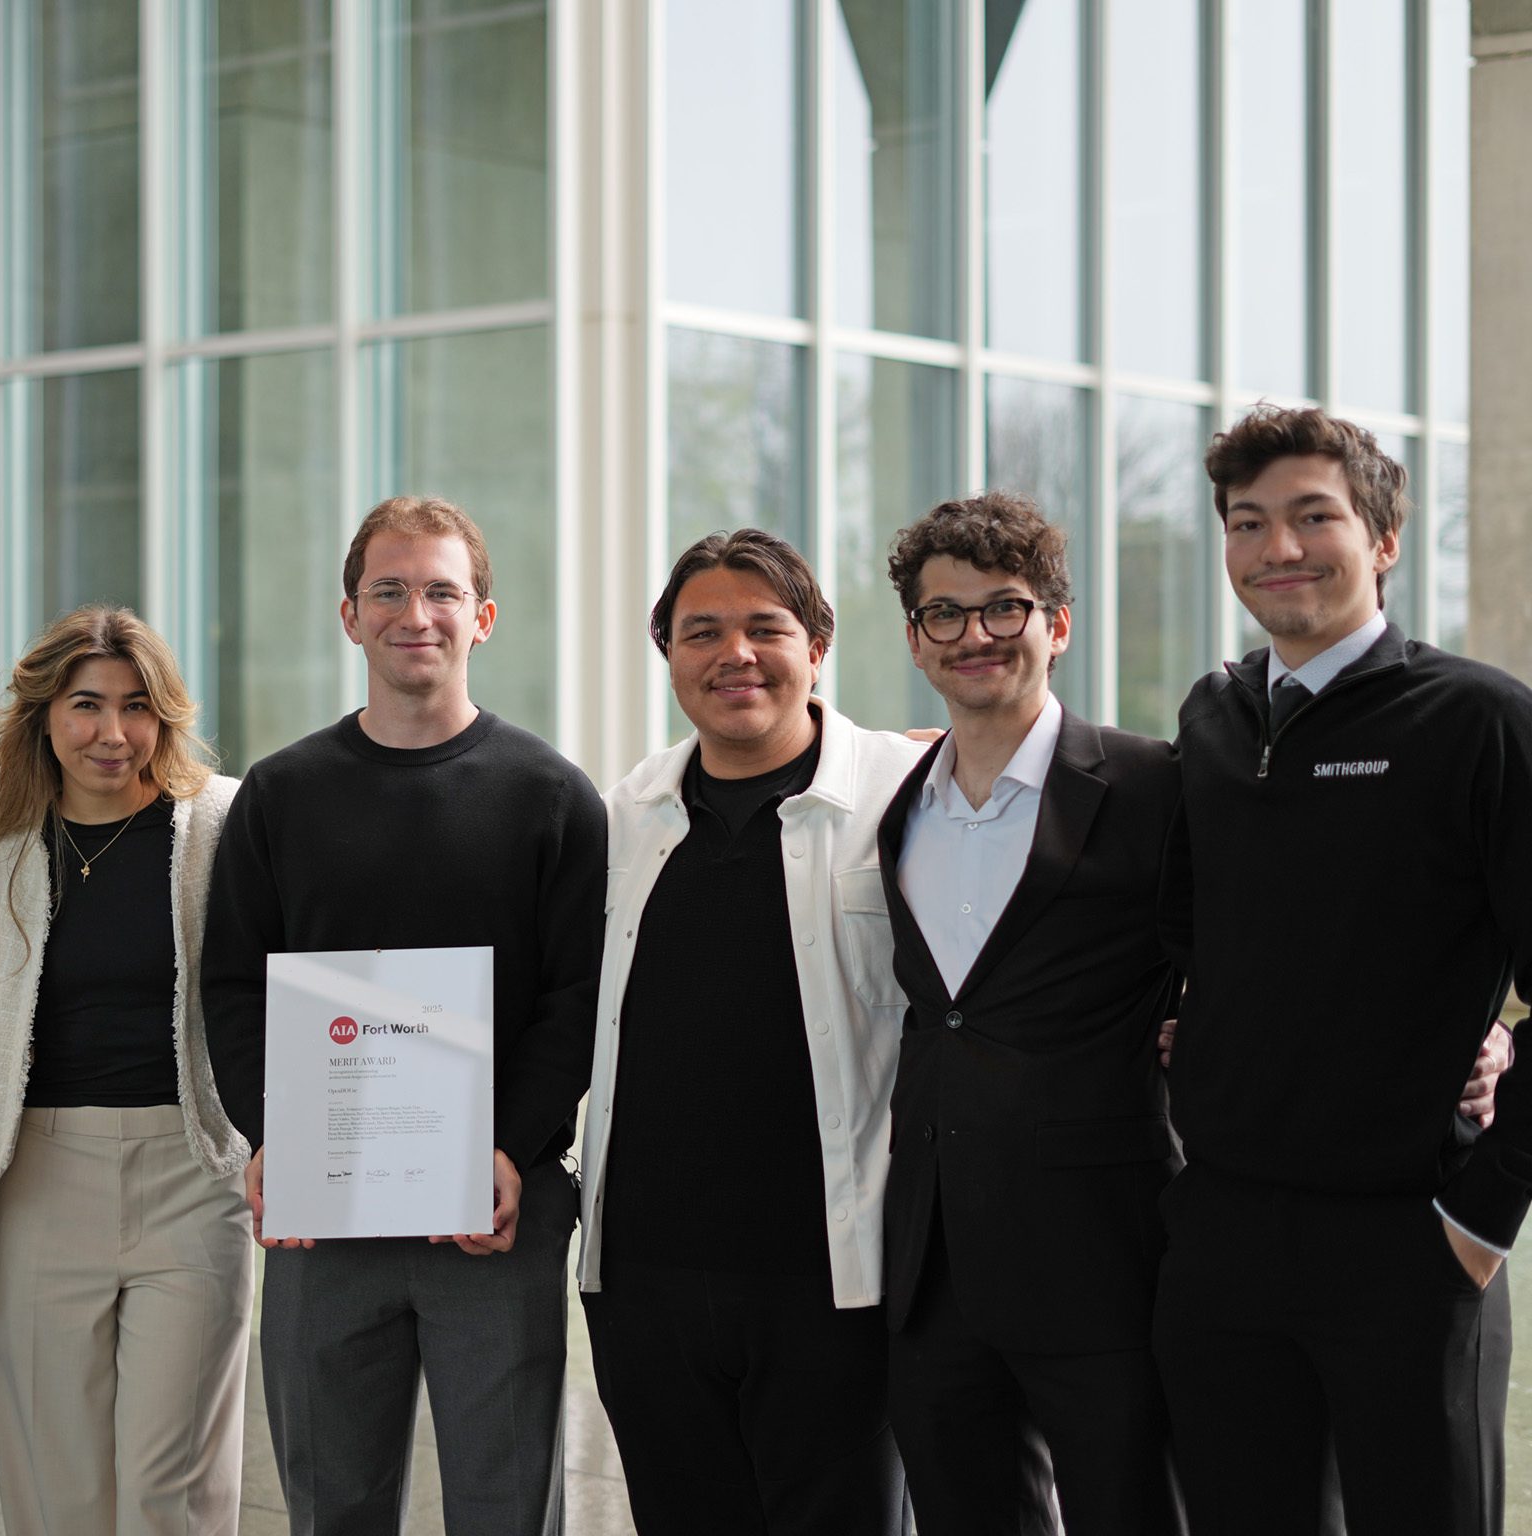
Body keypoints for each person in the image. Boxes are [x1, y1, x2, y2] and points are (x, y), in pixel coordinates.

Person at [1154, 404, 1532, 1536]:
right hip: (1221, 1241)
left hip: (1409, 1245)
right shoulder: (1214, 719)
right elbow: (1182, 938)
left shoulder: (1480, 721)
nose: (1280, 549)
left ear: (1383, 540)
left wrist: (1484, 1215)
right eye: (1248, 522)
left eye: (1314, 516)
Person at [203, 495, 606, 1535]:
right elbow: (234, 987)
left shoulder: (552, 797)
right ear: (349, 615)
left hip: (493, 1210)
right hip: (323, 1217)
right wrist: (273, 1132)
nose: (414, 612)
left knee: (503, 1508)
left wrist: (513, 1151)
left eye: (441, 591)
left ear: (484, 616)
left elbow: (576, 1000)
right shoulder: (281, 796)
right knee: (330, 1506)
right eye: (388, 590)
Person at [576, 530, 924, 1535]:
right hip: (645, 1280)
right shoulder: (621, 818)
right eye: (702, 632)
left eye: (765, 627)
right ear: (670, 655)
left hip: (832, 1281)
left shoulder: (899, 804)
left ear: (816, 646)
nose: (735, 654)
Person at [874, 494, 1184, 1535]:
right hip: (932, 1261)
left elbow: (1271, 944)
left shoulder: (1153, 787)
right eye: (944, 615)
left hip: (1102, 1258)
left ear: (1056, 624)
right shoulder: (893, 801)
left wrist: (1484, 1033)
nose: (975, 637)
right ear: (916, 641)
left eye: (1003, 609)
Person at [0, 606, 253, 1534]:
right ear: (45, 714)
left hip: (192, 1173)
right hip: (39, 1177)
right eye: (87, 705)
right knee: (57, 1489)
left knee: (173, 1486)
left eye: (138, 707)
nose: (113, 733)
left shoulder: (219, 825)